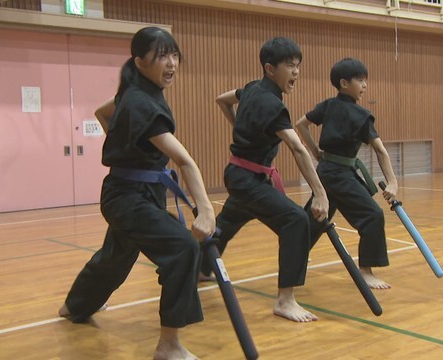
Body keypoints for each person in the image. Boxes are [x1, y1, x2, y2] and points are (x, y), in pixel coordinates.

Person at [58, 27, 216, 360]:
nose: (171, 63)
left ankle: (75, 305)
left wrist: (129, 147)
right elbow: (185, 161)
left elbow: (104, 113)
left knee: (117, 255)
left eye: (174, 54)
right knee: (182, 248)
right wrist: (205, 210)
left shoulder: (137, 92)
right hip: (128, 196)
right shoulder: (141, 101)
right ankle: (169, 346)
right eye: (161, 55)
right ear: (140, 61)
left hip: (138, 191)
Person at [199, 37, 329, 323]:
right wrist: (320, 193)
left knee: (228, 220)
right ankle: (285, 300)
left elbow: (222, 100)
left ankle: (200, 268)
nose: (296, 72)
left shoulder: (250, 89)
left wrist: (241, 124)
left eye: (298, 66)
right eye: (289, 66)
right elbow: (298, 148)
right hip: (248, 179)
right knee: (295, 220)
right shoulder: (272, 104)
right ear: (270, 69)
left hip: (241, 175)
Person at [296, 57, 398, 290]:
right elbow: (380, 151)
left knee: (316, 218)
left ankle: (294, 260)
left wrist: (315, 152)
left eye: (365, 80)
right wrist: (392, 182)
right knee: (372, 215)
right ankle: (366, 271)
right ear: (344, 83)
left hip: (326, 172)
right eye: (360, 80)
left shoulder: (328, 105)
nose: (365, 85)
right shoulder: (361, 116)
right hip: (339, 174)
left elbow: (300, 124)